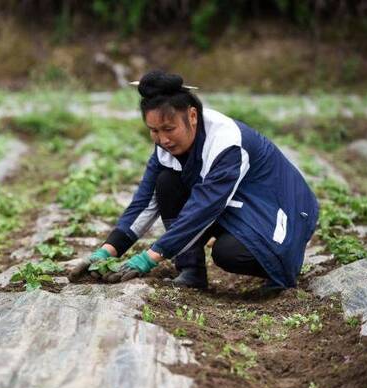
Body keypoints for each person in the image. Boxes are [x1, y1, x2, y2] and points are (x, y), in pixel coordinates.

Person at [69, 71, 318, 292]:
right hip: (238, 207)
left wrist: (150, 257)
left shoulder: (226, 142)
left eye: (169, 128)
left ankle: (282, 264)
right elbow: (144, 202)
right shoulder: (165, 148)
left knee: (228, 253)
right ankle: (191, 272)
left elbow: (205, 208)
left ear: (192, 115)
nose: (162, 139)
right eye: (154, 130)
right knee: (167, 182)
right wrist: (106, 251)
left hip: (281, 211)